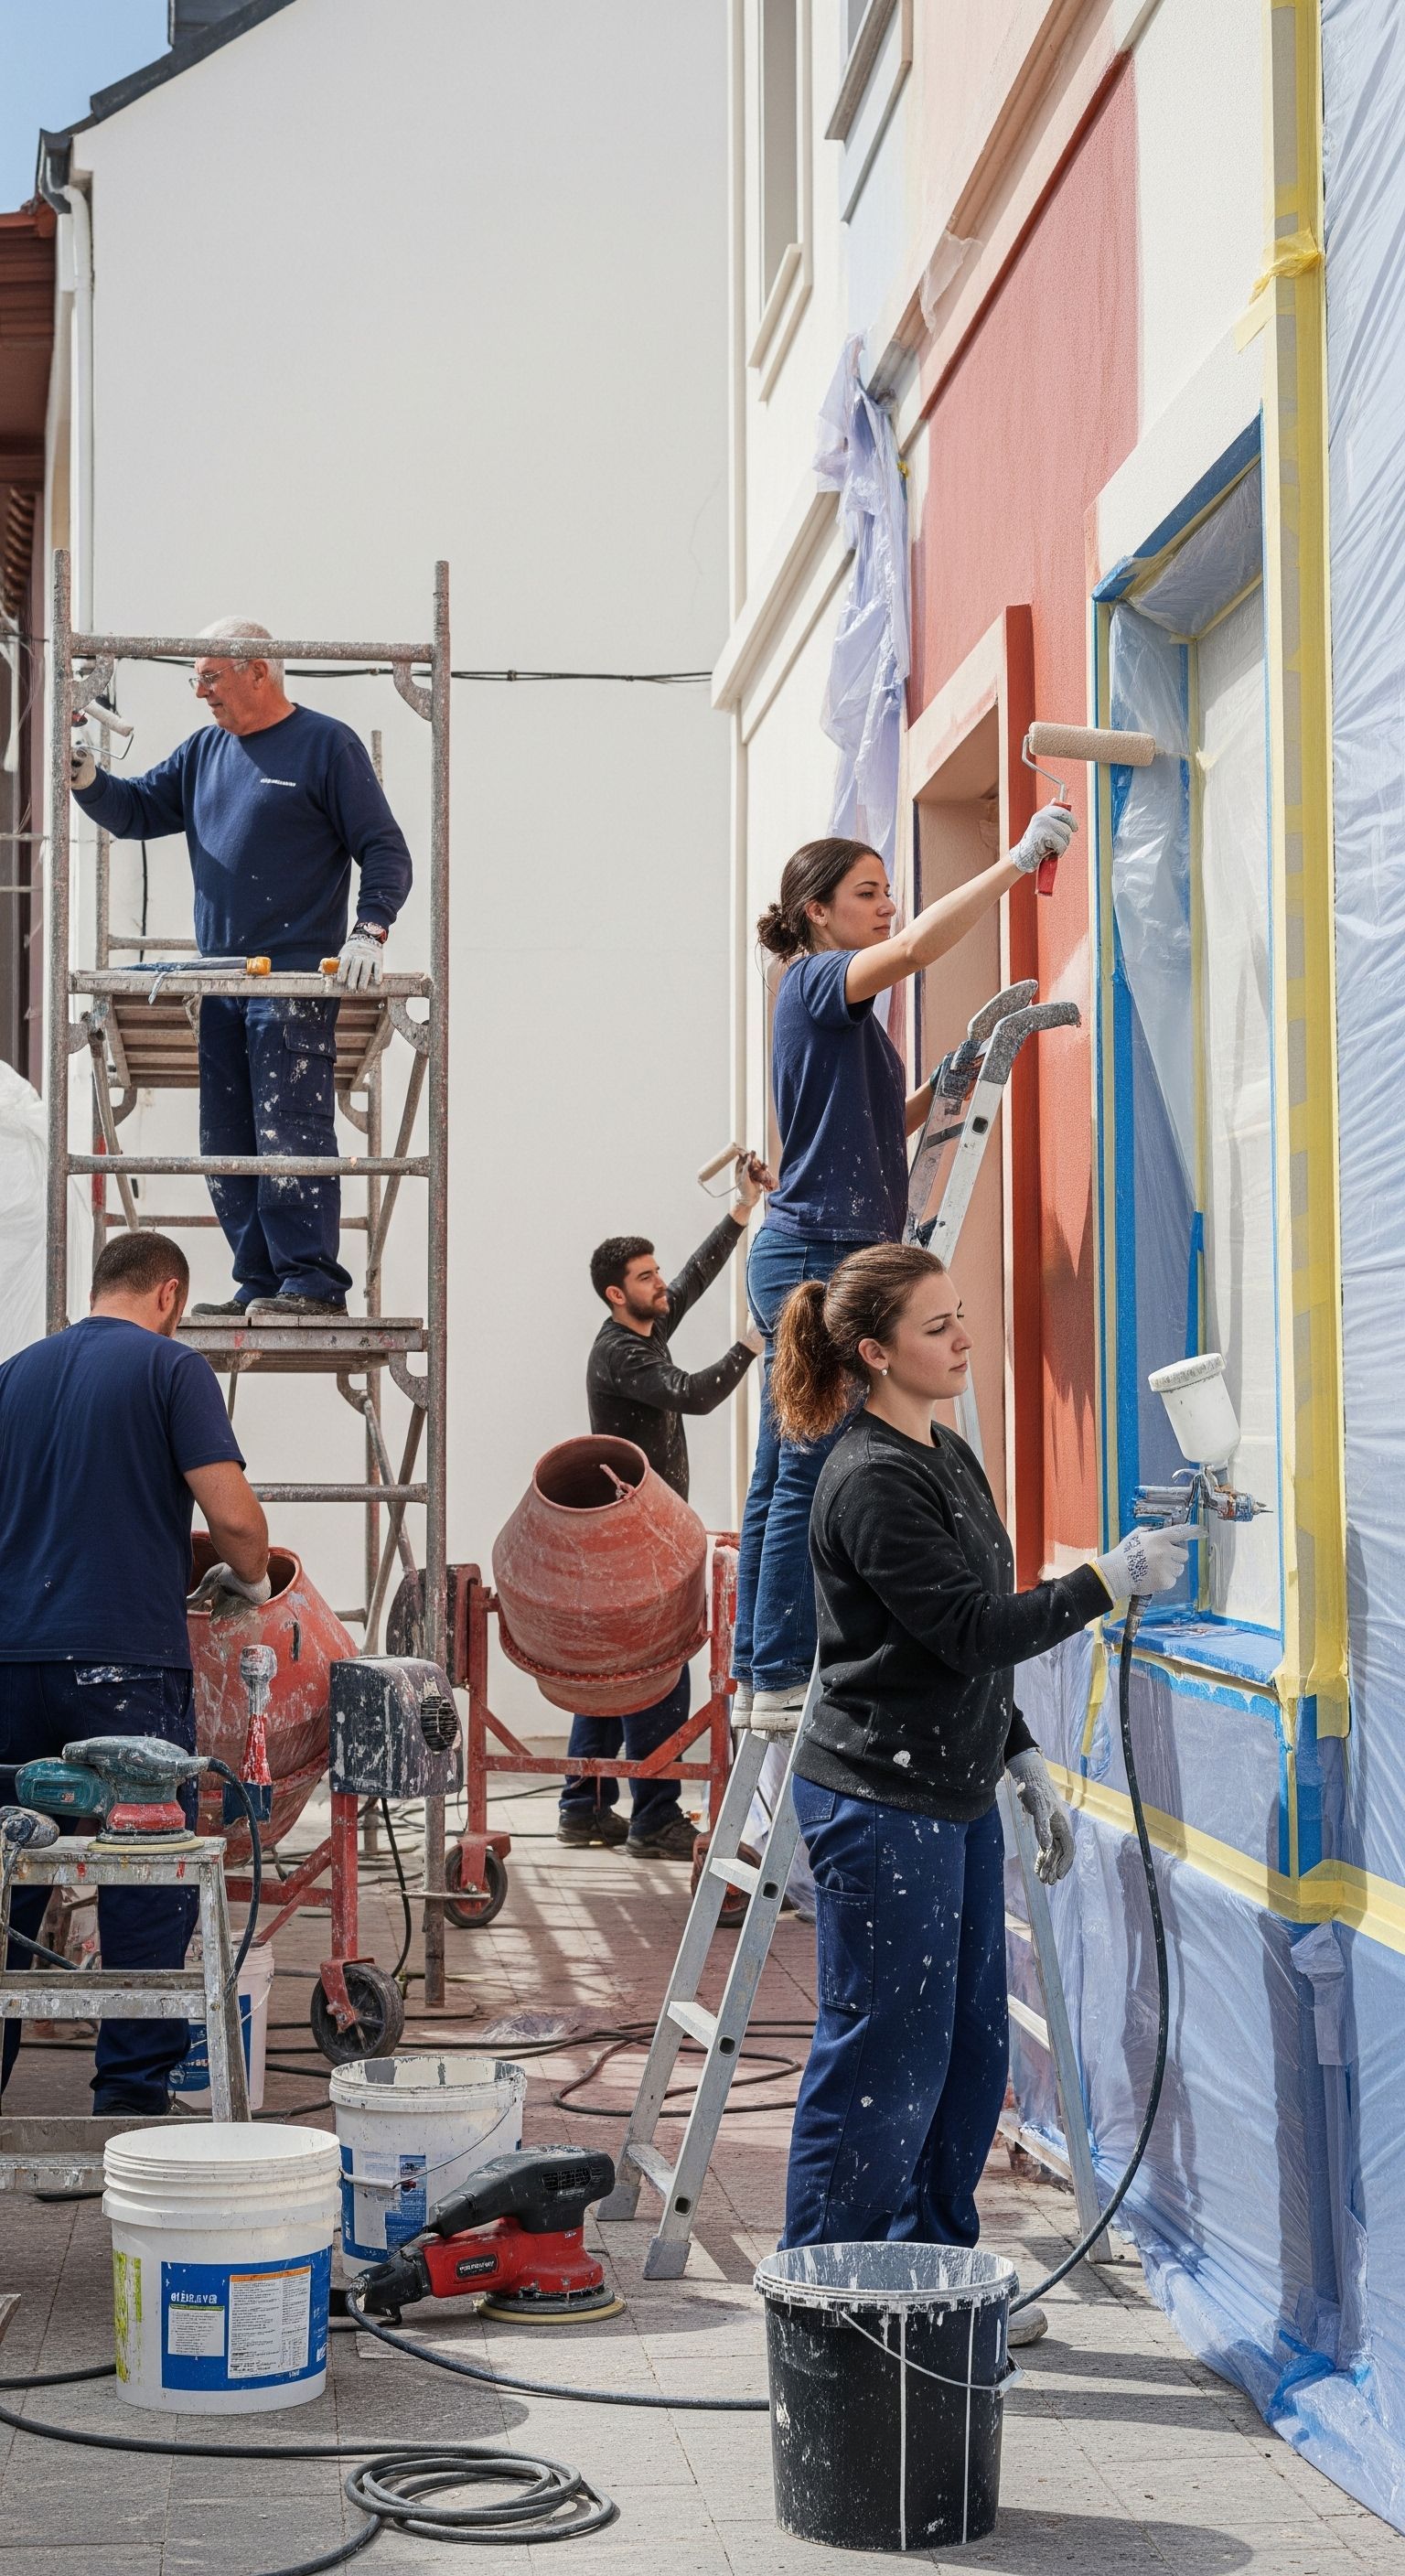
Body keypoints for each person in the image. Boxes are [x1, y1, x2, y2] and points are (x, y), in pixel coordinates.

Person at [767, 1241, 1191, 2335]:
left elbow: (969, 1638)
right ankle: (826, 2303)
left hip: (949, 1787)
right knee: (881, 2054)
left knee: (966, 2047)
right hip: (876, 1798)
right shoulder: (867, 1479)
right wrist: (1106, 1578)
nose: (965, 1338)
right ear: (874, 1351)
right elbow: (967, 1627)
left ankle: (934, 2285)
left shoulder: (948, 1452)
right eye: (938, 1326)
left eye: (961, 1317)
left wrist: (1015, 1750)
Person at [734, 806, 1078, 1732]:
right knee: (807, 1464)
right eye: (868, 893)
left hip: (815, 1244)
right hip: (817, 1252)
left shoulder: (845, 1025)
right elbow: (924, 943)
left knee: (784, 1466)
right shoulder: (813, 981)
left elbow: (887, 1125)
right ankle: (773, 1672)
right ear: (815, 911)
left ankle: (759, 1665)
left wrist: (952, 1076)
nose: (888, 907)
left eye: (889, 891)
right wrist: (1013, 862)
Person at [69, 619, 413, 1322]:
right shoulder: (205, 751)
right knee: (226, 1139)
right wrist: (86, 779)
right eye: (194, 678)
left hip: (289, 977)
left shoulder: (325, 744)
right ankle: (260, 1281)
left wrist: (369, 931)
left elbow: (384, 848)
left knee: (291, 1126)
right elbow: (137, 809)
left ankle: (311, 1286)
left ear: (260, 671)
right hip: (221, 978)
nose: (200, 693)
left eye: (210, 677)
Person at [0, 1231, 270, 2115]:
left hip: (11, 1663)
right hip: (123, 1667)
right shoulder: (171, 1368)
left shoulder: (17, 1373)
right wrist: (251, 1573)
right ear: (168, 1294)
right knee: (144, 1879)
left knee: (11, 1875)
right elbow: (232, 1519)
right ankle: (126, 2105)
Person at [559, 1157, 770, 1858]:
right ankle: (655, 1817)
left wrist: (740, 1210)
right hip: (633, 1537)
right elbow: (696, 1394)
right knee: (657, 1668)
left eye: (657, 1273)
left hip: (631, 1530)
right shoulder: (622, 1353)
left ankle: (583, 1809)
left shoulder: (645, 1326)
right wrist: (750, 1345)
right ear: (618, 1295)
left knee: (608, 1667)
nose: (662, 1285)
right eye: (648, 1279)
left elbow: (697, 1277)